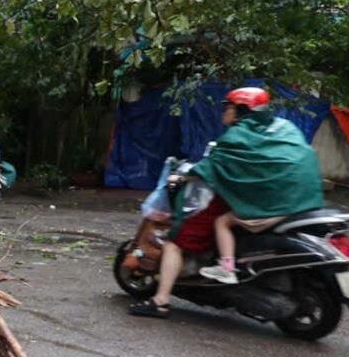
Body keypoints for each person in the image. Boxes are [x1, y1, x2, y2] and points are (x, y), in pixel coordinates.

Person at [192, 86, 324, 284]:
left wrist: (187, 174)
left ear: (241, 110)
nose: (225, 111)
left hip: (275, 206)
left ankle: (226, 268)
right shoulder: (284, 127)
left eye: (228, 107)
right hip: (304, 202)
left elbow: (212, 166)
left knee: (222, 222)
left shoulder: (237, 136)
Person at [127, 163, 229, 319]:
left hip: (239, 207)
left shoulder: (238, 143)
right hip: (268, 209)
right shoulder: (275, 146)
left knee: (174, 243)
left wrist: (184, 176)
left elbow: (211, 168)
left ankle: (161, 300)